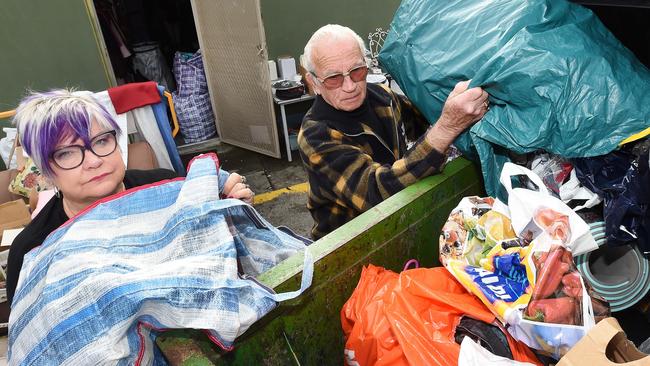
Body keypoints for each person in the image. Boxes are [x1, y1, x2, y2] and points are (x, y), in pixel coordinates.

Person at [6, 89, 254, 305]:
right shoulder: (33, 251)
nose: (94, 160)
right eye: (67, 153)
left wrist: (234, 213)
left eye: (101, 141)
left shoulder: (166, 188)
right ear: (46, 172)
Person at [298, 24, 489, 239]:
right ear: (314, 82)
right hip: (348, 245)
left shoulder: (383, 96)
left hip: (397, 221)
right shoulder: (315, 135)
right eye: (333, 78)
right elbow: (376, 193)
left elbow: (424, 119)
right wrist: (447, 126)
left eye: (357, 71)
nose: (350, 86)